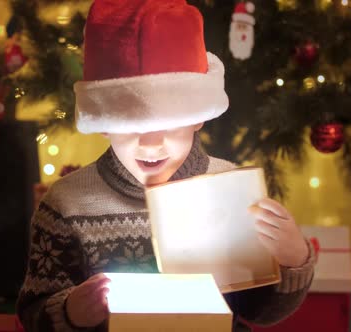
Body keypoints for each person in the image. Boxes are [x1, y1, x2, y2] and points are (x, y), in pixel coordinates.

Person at [17, 1, 316, 331]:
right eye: (131, 126)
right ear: (103, 123)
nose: (151, 143)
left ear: (198, 118)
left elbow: (259, 311)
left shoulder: (231, 190)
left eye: (171, 125)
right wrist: (70, 311)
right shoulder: (66, 203)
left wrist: (292, 260)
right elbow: (33, 311)